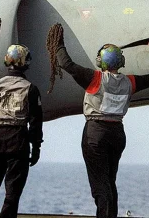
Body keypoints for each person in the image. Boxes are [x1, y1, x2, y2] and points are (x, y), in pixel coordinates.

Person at [49, 23, 149, 218]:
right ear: (120, 62)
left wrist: (58, 42)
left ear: (100, 61)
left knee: (100, 185)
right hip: (117, 133)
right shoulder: (130, 82)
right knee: (110, 181)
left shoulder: (95, 79)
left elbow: (66, 64)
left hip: (96, 133)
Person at [0, 44, 43, 218]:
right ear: (25, 63)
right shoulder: (30, 89)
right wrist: (36, 147)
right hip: (18, 140)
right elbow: (35, 122)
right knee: (12, 192)